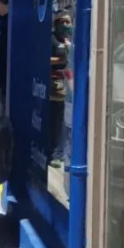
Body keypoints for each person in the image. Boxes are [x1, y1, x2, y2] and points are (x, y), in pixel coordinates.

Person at [48, 11, 72, 168]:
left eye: (67, 22)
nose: (65, 25)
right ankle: (55, 153)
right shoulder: (51, 38)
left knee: (65, 120)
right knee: (56, 119)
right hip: (55, 83)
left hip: (68, 82)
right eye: (61, 21)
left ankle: (62, 153)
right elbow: (44, 57)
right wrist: (61, 59)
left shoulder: (69, 40)